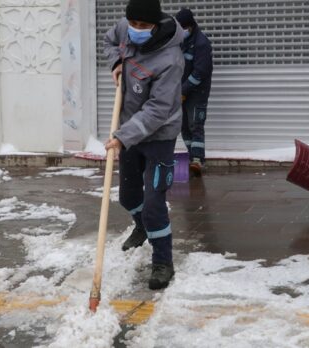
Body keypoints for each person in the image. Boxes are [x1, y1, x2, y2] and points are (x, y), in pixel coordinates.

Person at [103, 0, 184, 290]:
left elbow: (158, 109)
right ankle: (143, 227)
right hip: (128, 129)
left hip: (158, 136)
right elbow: (110, 40)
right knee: (128, 196)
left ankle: (163, 262)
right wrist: (115, 62)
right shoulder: (125, 28)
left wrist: (123, 136)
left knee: (153, 203)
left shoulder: (171, 59)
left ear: (156, 23)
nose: (135, 30)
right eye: (132, 23)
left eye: (142, 26)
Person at [175, 8, 213, 177]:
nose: (181, 30)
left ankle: (198, 160)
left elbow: (200, 73)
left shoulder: (201, 43)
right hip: (181, 90)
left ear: (190, 26)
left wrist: (183, 91)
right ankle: (191, 157)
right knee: (183, 126)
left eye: (184, 27)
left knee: (195, 125)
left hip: (198, 92)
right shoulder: (179, 41)